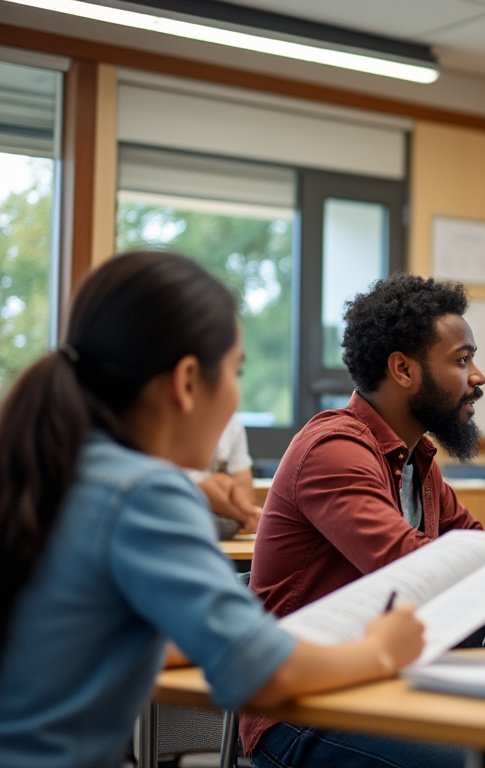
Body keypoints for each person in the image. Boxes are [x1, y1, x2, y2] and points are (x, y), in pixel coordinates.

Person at [0, 251, 425, 768]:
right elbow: (262, 674)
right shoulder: (145, 493)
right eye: (235, 370)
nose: (235, 393)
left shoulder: (53, 471)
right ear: (185, 382)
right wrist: (382, 649)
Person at [244, 274, 485, 766]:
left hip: (390, 681)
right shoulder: (333, 449)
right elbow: (408, 566)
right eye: (462, 360)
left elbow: (474, 545)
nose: (478, 376)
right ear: (403, 369)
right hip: (302, 707)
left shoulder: (418, 460)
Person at [184, 413, 262, 539]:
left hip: (213, 518)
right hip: (179, 513)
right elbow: (204, 489)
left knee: (228, 525)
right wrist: (243, 516)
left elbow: (245, 494)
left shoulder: (232, 422)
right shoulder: (171, 416)